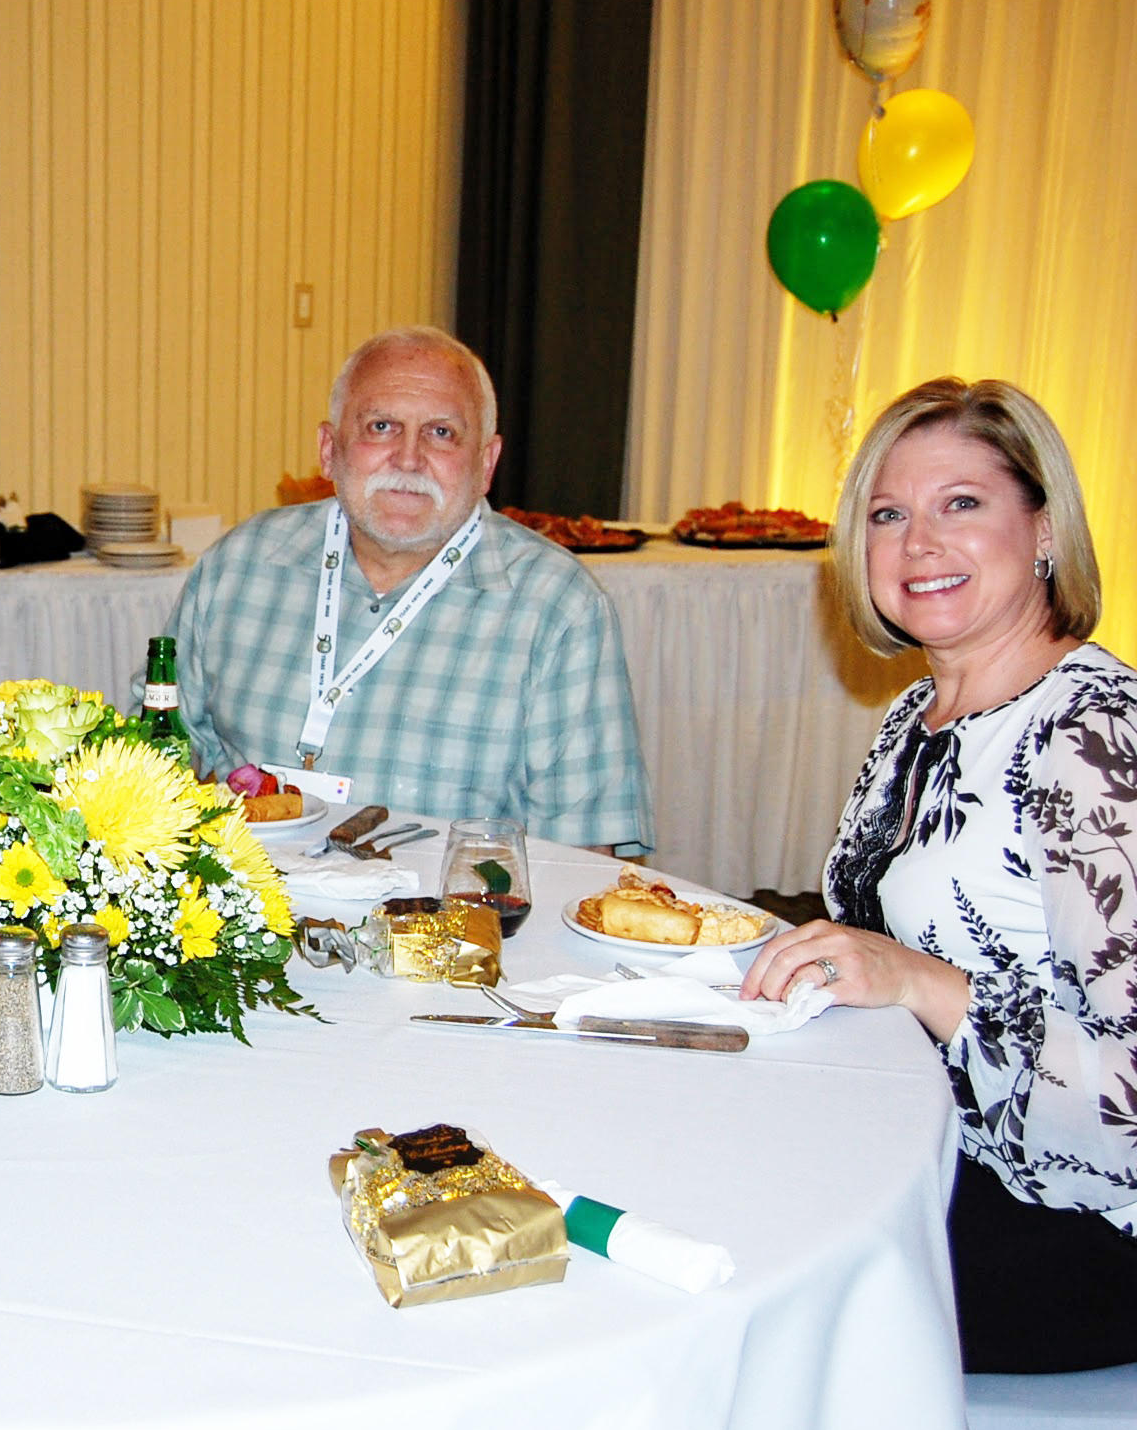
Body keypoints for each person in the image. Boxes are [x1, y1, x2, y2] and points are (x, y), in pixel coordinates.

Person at [742, 377, 1137, 1373]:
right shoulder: (916, 723)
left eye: (961, 503)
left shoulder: (1090, 736)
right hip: (922, 1149)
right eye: (888, 513)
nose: (918, 541)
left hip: (1071, 1225)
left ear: (1044, 529)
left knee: (732, 1264)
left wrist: (923, 984)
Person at [164, 326, 651, 853]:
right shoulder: (237, 567)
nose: (409, 458)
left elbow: (585, 856)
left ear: (486, 463)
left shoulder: (558, 609)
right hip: (240, 919)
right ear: (329, 450)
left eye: (441, 433)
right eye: (381, 426)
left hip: (445, 928)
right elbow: (154, 758)